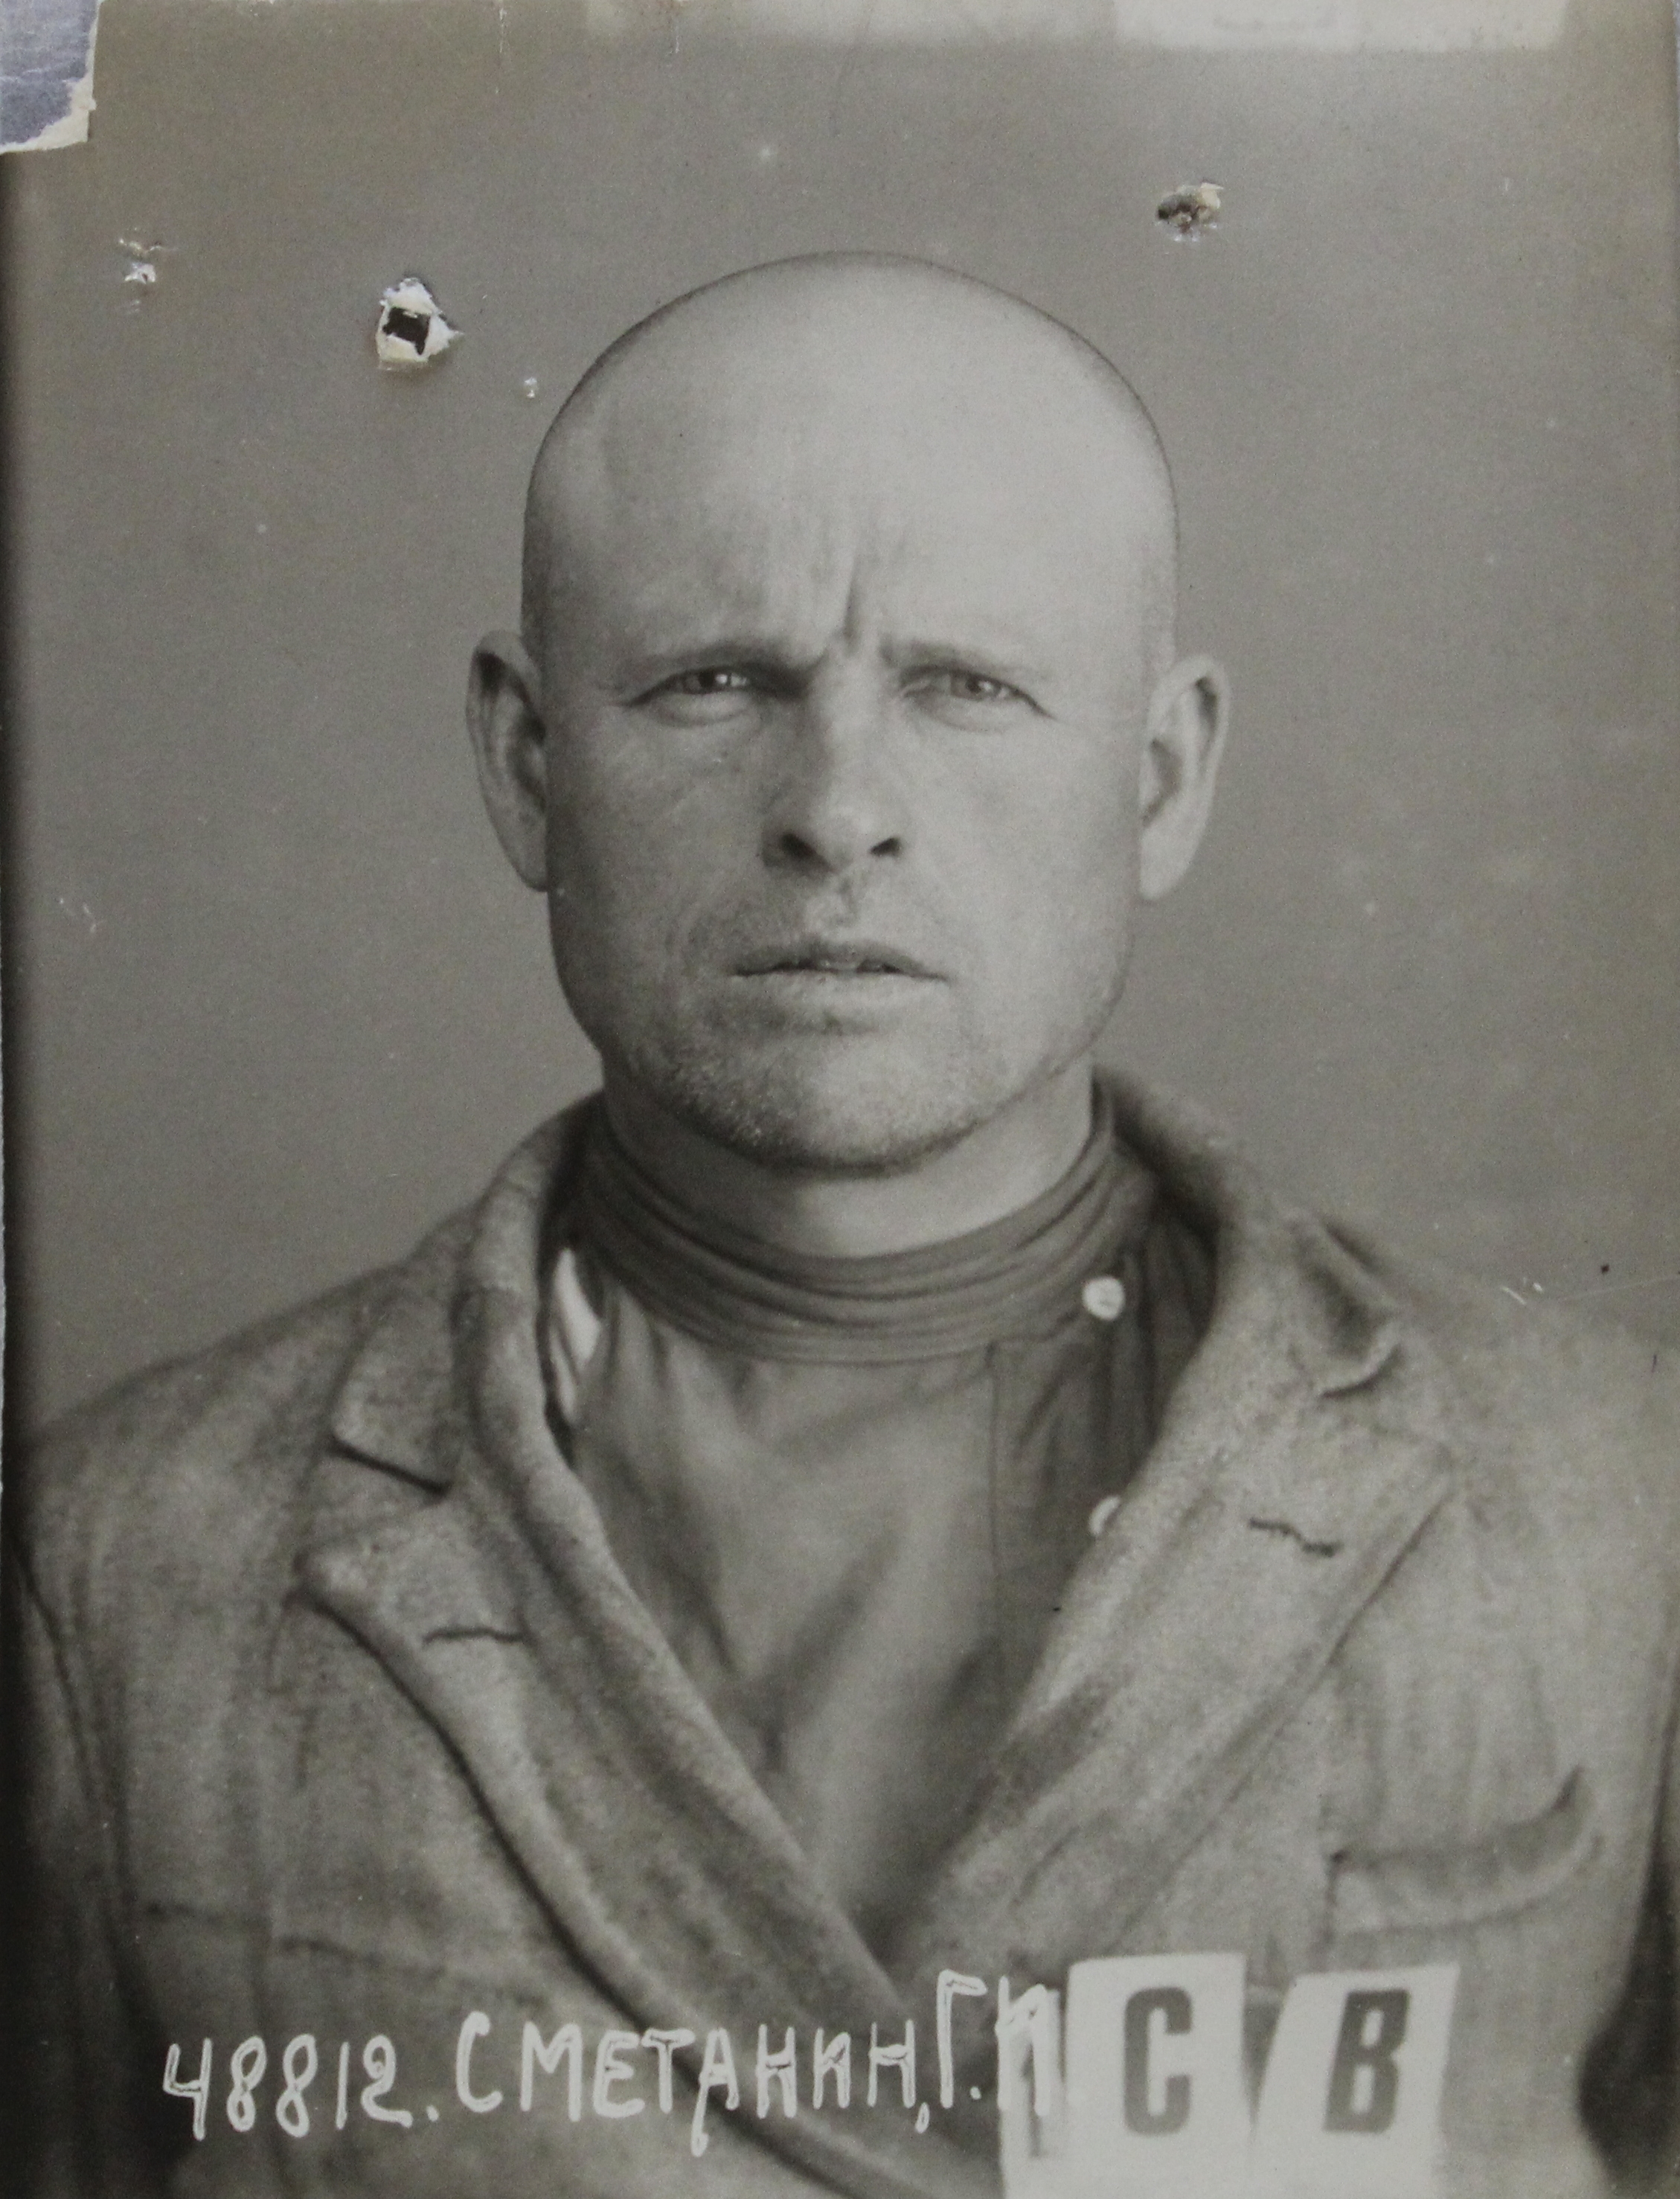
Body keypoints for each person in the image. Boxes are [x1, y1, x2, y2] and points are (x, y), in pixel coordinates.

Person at [5, 254, 1677, 2199]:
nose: (838, 808)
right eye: (717, 681)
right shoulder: (122, 1569)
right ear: (529, 765)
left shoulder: (1614, 1491)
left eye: (966, 686)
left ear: (1160, 778)